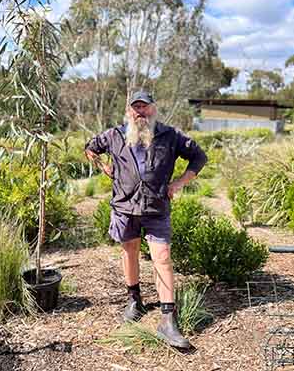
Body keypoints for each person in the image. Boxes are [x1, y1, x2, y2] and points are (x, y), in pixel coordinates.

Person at [84, 91, 207, 348]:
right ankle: (134, 300)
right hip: (124, 207)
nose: (140, 112)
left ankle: (167, 318)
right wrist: (103, 167)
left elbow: (199, 157)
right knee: (129, 252)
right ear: (129, 112)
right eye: (135, 108)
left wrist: (179, 183)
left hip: (156, 207)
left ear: (153, 109)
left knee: (161, 258)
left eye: (145, 107)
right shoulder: (114, 135)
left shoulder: (170, 136)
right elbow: (90, 148)